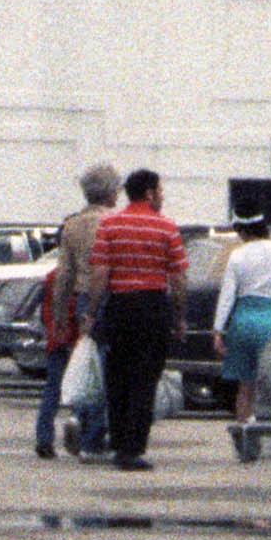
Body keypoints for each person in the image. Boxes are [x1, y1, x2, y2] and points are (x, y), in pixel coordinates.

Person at [87, 169, 184, 471]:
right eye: (161, 190)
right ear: (149, 193)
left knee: (117, 378)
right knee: (145, 379)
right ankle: (133, 448)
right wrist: (179, 316)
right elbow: (179, 278)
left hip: (120, 307)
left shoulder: (110, 225)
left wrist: (91, 312)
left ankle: (118, 442)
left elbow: (100, 272)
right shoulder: (167, 228)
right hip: (154, 308)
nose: (163, 195)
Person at [38, 164, 119, 459]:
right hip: (112, 297)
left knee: (87, 367)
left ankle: (82, 419)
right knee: (107, 370)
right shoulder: (113, 222)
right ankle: (95, 436)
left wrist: (59, 315)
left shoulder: (72, 225)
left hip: (82, 297)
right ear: (110, 191)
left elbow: (64, 275)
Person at [213, 216, 271, 425]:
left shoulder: (237, 255)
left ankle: (243, 432)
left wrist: (217, 330)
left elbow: (227, 296)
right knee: (270, 383)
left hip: (242, 321)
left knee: (245, 385)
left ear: (243, 231)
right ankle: (267, 431)